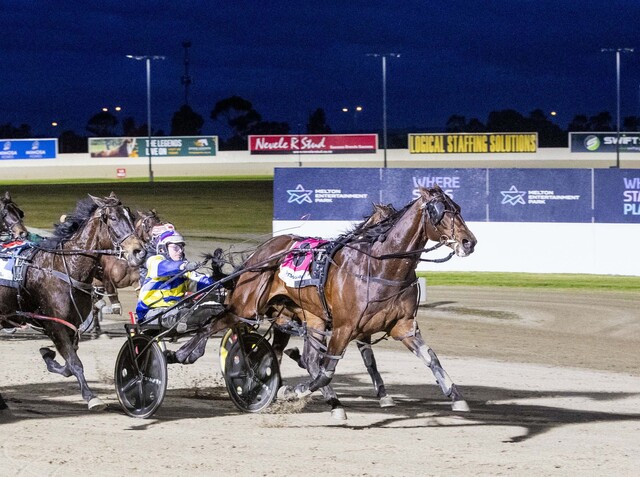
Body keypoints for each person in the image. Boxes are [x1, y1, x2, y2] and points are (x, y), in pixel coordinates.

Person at [136, 230, 215, 332]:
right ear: (163, 249)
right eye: (175, 247)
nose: (180, 251)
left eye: (181, 247)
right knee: (183, 313)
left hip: (175, 311)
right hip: (151, 314)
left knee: (210, 310)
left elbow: (201, 282)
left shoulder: (184, 271)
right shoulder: (155, 261)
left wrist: (222, 281)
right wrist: (183, 266)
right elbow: (165, 267)